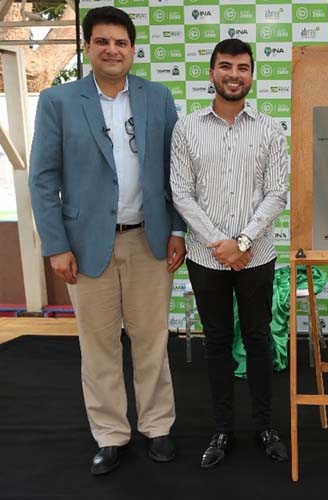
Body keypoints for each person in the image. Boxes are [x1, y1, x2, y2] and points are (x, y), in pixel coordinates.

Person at [28, 6, 186, 475]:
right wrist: (56, 245)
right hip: (84, 246)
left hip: (149, 241)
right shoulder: (58, 101)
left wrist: (177, 229)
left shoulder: (158, 98)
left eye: (121, 42)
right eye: (102, 41)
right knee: (97, 347)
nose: (112, 49)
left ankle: (157, 427)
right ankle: (110, 435)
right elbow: (42, 178)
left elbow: (175, 173)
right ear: (88, 47)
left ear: (133, 50)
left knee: (152, 342)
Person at [169, 38, 290, 468]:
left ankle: (264, 426)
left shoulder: (272, 129)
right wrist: (220, 243)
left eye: (242, 67)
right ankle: (222, 429)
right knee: (217, 342)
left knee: (258, 341)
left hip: (256, 256)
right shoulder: (186, 128)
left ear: (252, 75)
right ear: (211, 73)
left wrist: (241, 242)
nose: (233, 74)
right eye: (225, 66)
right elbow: (181, 193)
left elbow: (277, 194)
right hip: (206, 258)